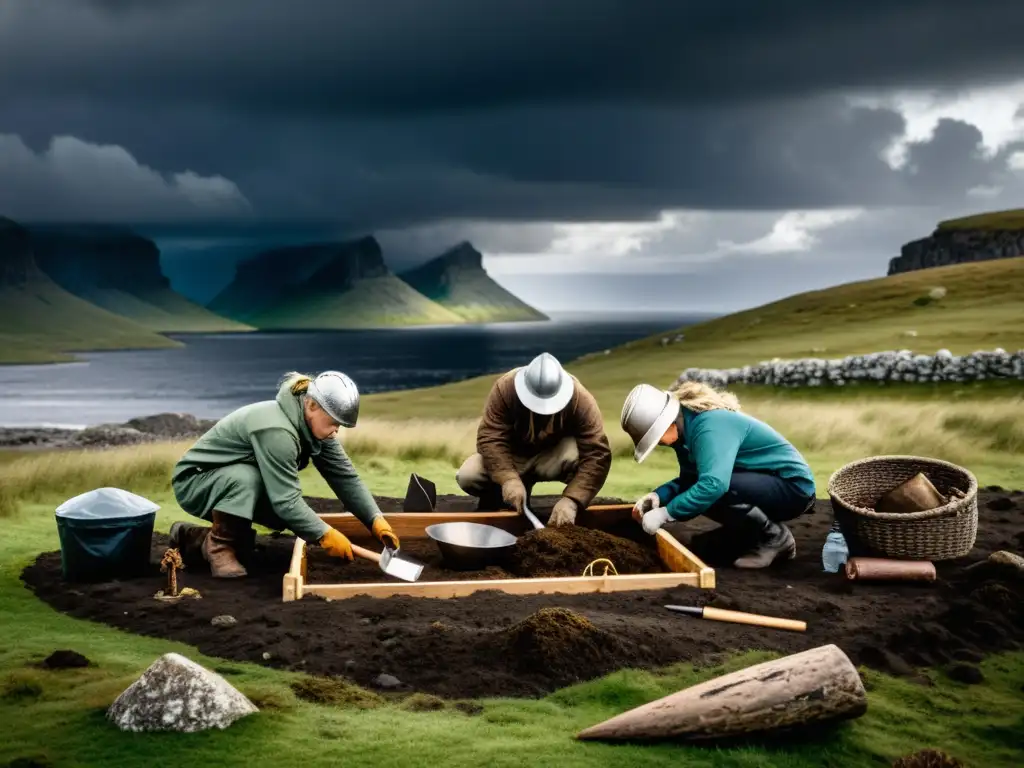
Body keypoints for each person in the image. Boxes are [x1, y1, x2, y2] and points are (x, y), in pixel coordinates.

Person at [168, 370, 400, 578]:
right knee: (252, 483)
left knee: (277, 522)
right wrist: (325, 534)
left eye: (340, 425)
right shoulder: (277, 430)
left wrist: (375, 519)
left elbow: (344, 476)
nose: (336, 430)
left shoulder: (318, 426)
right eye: (333, 422)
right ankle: (219, 547)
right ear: (311, 405)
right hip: (197, 481)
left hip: (232, 481)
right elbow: (286, 499)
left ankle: (191, 537)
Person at [620, 380, 816, 568]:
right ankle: (746, 537)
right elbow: (691, 480)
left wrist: (666, 514)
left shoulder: (709, 425)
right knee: (703, 496)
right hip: (759, 482)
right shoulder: (685, 432)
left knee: (715, 489)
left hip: (793, 488)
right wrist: (658, 496)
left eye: (656, 439)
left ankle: (775, 537)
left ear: (667, 424)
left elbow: (715, 483)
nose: (660, 444)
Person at [455, 352, 613, 526]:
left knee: (581, 457)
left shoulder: (580, 398)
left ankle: (568, 510)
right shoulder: (505, 388)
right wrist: (508, 478)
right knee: (468, 475)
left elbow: (597, 454)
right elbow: (490, 437)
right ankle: (496, 500)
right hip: (513, 455)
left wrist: (572, 500)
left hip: (553, 456)